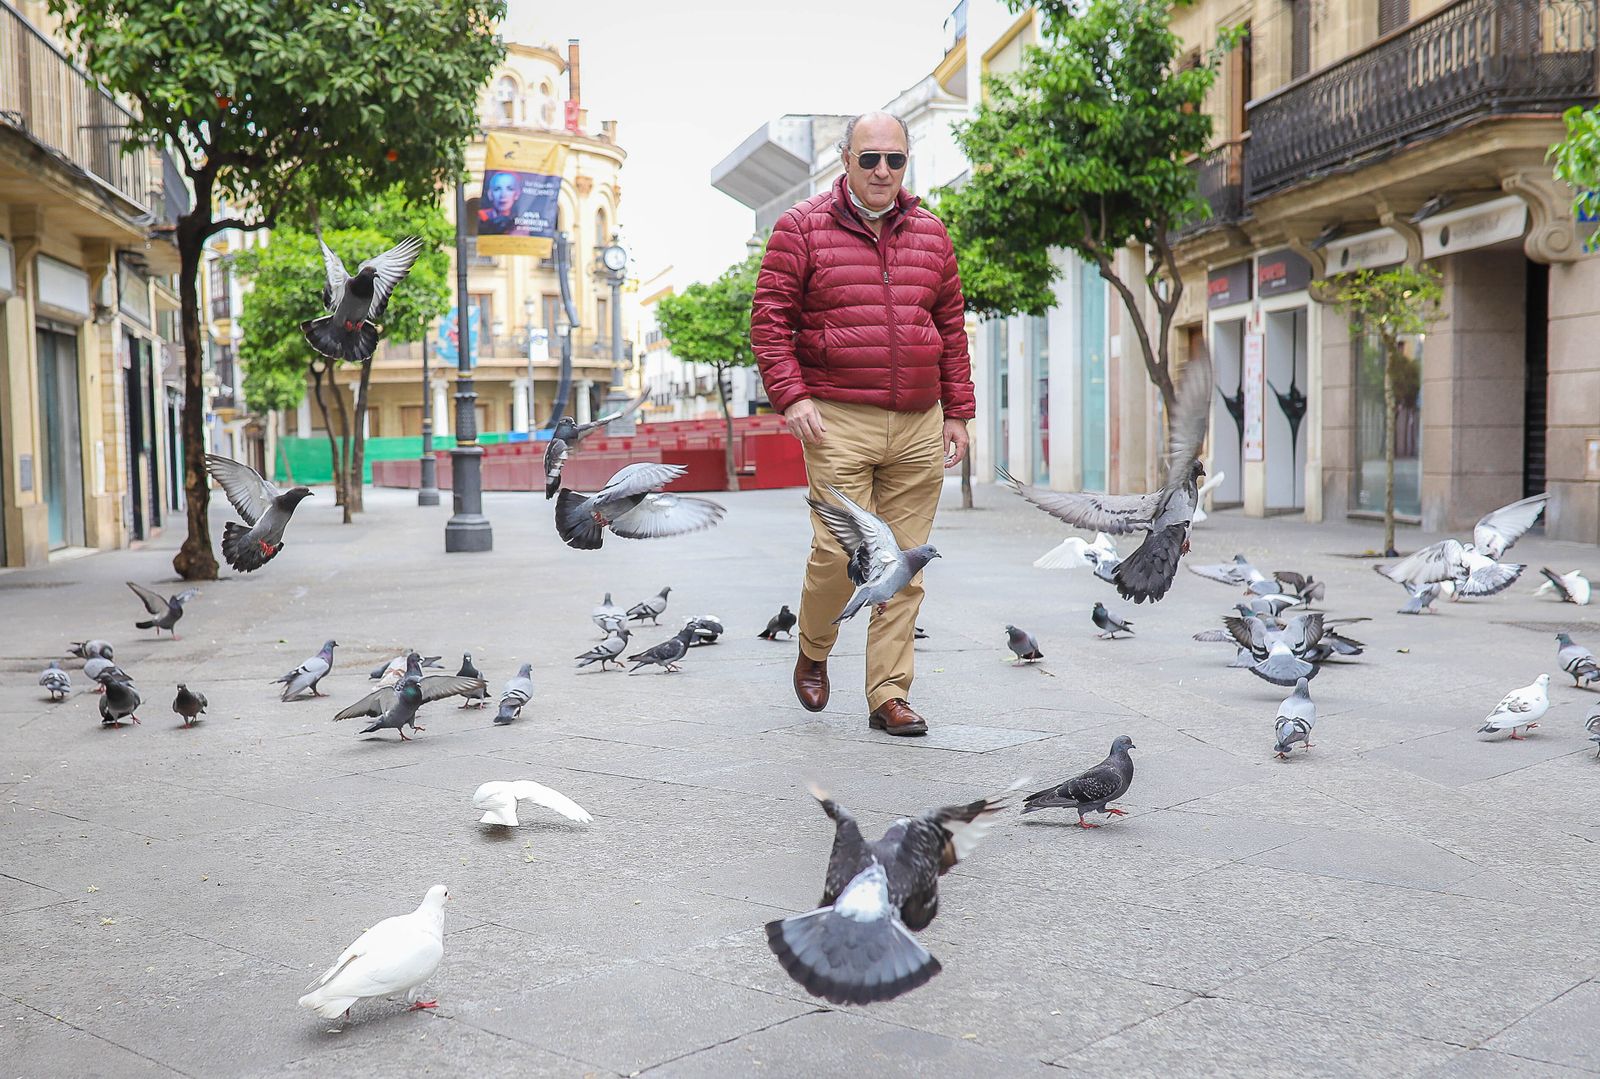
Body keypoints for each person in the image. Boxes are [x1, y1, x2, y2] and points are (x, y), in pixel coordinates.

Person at [750, 111, 974, 737]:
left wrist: (958, 411)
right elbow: (769, 322)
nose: (882, 170)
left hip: (918, 422)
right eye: (870, 158)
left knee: (904, 565)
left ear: (907, 163)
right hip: (835, 418)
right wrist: (792, 397)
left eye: (895, 159)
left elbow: (951, 328)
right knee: (834, 552)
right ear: (844, 160)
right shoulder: (800, 229)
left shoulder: (932, 232)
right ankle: (814, 648)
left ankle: (888, 695)